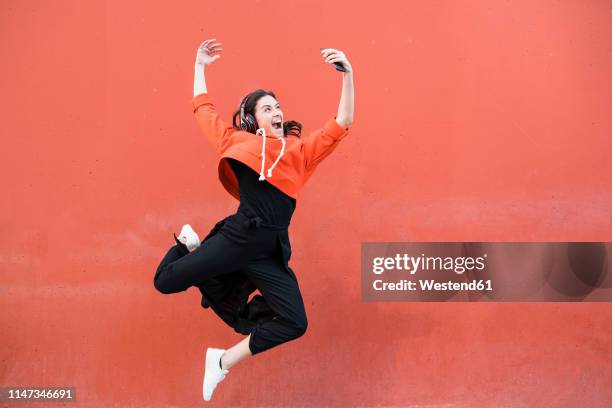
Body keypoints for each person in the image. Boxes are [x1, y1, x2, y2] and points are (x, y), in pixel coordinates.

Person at [153, 38, 354, 401]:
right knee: (165, 282)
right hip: (237, 239)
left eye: (278, 107)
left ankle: (221, 361)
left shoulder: (300, 152)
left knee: (295, 323)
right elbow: (203, 110)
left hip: (267, 252)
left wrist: (348, 76)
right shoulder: (237, 144)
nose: (276, 112)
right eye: (266, 108)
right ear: (252, 119)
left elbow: (342, 122)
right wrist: (199, 67)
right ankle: (187, 247)